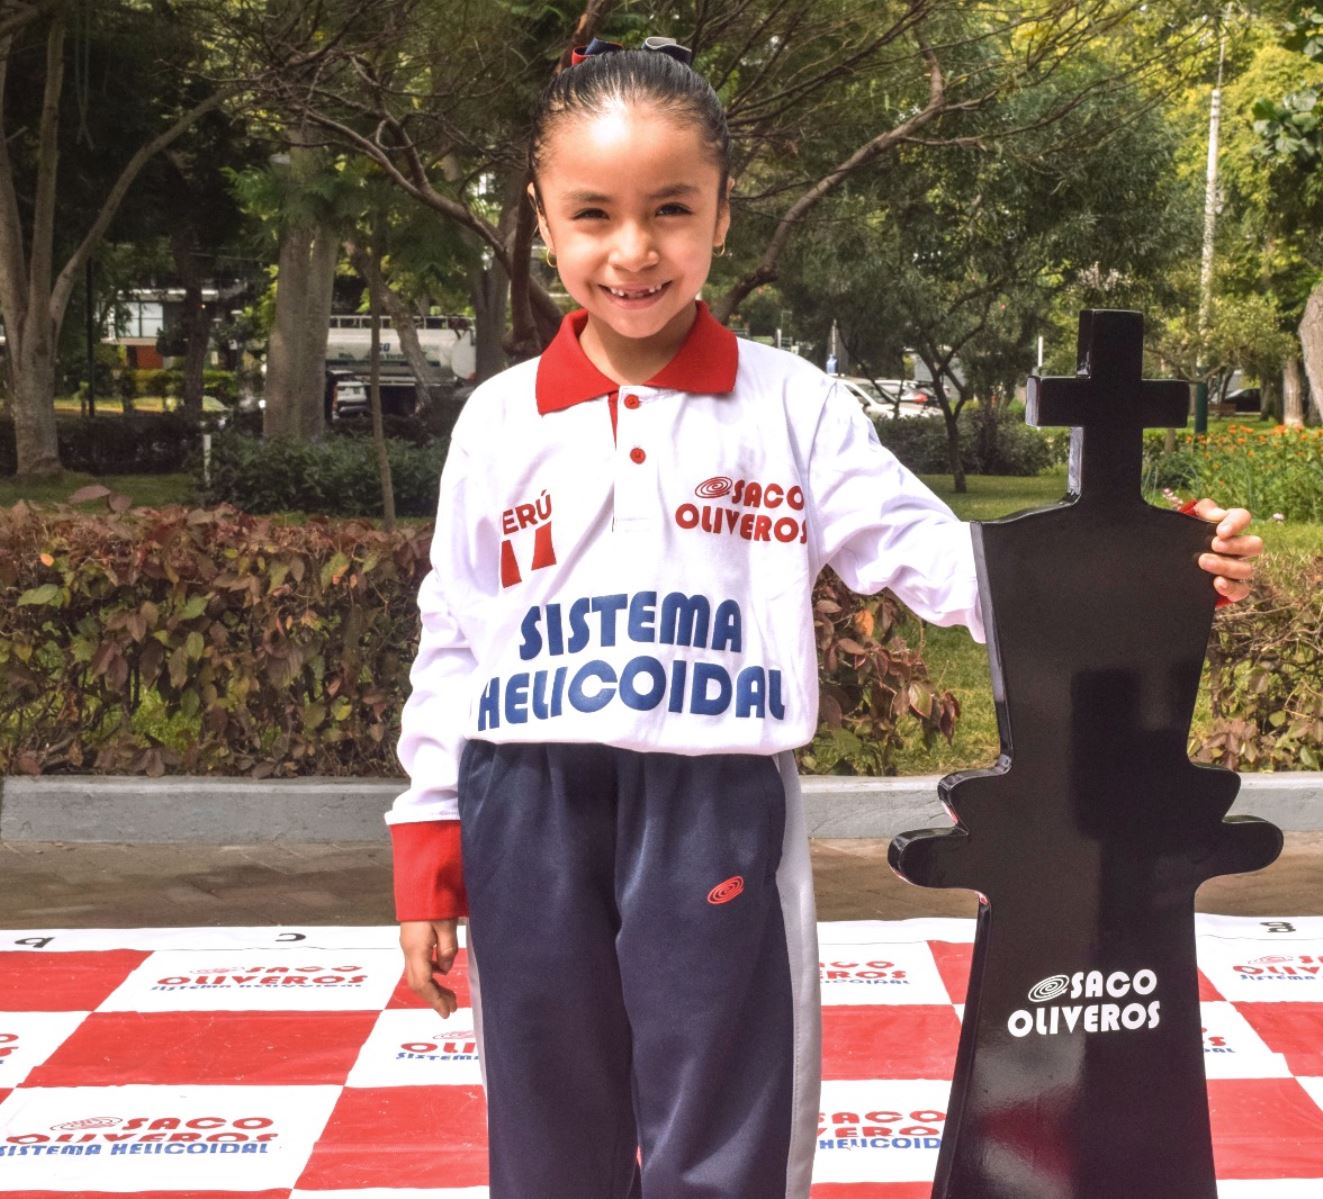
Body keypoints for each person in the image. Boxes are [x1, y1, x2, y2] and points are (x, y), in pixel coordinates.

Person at [384, 35, 1265, 1199]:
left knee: (725, 1117)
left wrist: (1146, 570)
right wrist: (429, 846)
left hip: (714, 806)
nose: (633, 250)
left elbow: (934, 557)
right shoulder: (499, 421)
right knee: (548, 1118)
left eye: (672, 210)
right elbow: (455, 630)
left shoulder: (789, 405)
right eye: (592, 213)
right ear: (542, 219)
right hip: (524, 805)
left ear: (723, 216)